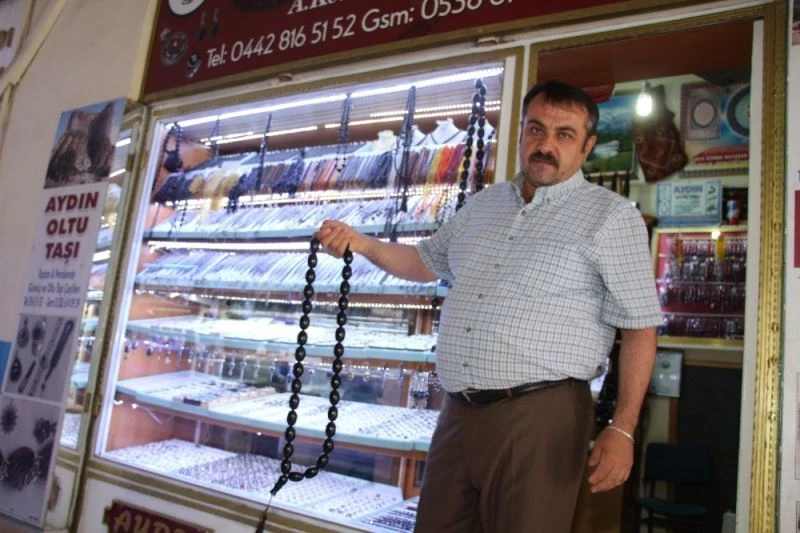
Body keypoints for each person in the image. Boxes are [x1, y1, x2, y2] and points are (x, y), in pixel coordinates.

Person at [314, 80, 662, 532]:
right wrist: (362, 244)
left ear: (587, 147)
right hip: (457, 412)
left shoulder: (611, 217)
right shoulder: (484, 205)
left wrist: (622, 428)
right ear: (521, 133)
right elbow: (424, 261)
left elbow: (640, 329)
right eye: (536, 129)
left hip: (541, 415)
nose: (546, 145)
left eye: (564, 134)